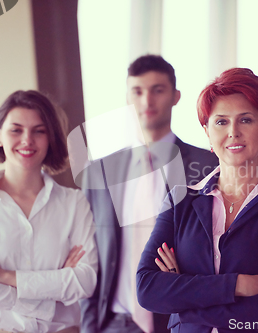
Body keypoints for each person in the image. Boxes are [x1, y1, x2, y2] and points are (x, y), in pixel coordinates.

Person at [136, 68, 258, 333]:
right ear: (207, 131)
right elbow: (148, 288)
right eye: (221, 122)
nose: (233, 132)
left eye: (246, 120)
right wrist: (236, 285)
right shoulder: (180, 201)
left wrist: (184, 298)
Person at [79, 54, 219, 333]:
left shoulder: (207, 166)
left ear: (176, 96)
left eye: (158, 90)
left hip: (179, 319)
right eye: (137, 91)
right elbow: (91, 255)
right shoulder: (100, 172)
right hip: (114, 323)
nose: (147, 101)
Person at [0, 90, 98, 333]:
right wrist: (54, 287)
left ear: (50, 138)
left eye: (39, 131)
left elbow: (85, 282)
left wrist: (2, 274)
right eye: (16, 130)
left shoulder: (74, 203)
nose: (27, 140)